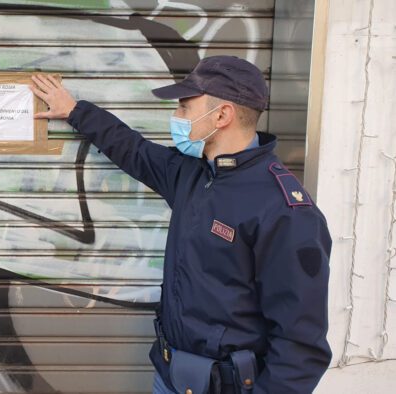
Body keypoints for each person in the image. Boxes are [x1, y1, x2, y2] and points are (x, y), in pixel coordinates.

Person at [30, 56, 332, 394]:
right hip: (171, 375)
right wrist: (74, 110)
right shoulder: (194, 172)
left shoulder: (284, 211)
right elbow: (135, 151)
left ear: (222, 115)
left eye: (185, 108)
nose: (176, 118)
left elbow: (301, 346)